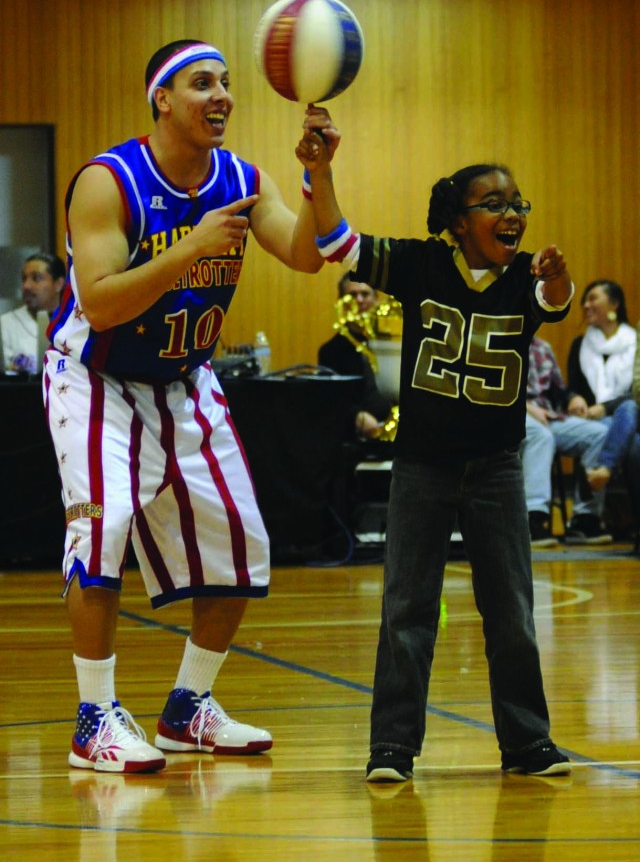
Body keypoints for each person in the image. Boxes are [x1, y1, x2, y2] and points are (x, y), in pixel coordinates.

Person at [43, 39, 339, 774]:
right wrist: (191, 248)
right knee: (102, 529)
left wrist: (319, 173)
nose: (222, 96)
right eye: (201, 83)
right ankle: (92, 719)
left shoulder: (241, 178)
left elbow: (307, 254)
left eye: (227, 84)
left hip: (185, 378)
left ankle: (187, 708)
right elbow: (100, 304)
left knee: (241, 544)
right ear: (162, 100)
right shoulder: (107, 181)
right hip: (97, 377)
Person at [297, 124, 573, 782]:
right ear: (457, 219)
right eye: (495, 203)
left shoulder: (526, 276)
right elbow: (336, 241)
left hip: (498, 468)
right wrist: (322, 170)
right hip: (422, 465)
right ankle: (392, 746)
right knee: (407, 608)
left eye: (518, 204)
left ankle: (528, 743)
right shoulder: (420, 263)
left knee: (510, 610)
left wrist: (560, 280)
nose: (511, 213)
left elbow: (552, 302)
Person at [522, 335, 613, 546]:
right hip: (515, 414)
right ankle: (533, 518)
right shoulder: (501, 339)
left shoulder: (542, 347)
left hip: (549, 415)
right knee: (541, 437)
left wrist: (573, 399)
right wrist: (528, 407)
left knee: (598, 434)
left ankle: (585, 518)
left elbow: (559, 390)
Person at [565, 280, 638, 540]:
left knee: (627, 409)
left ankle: (602, 472)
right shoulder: (580, 344)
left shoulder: (635, 341)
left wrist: (605, 407)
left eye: (593, 298)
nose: (586, 305)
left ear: (614, 304)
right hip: (598, 422)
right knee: (631, 446)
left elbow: (635, 393)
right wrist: (574, 398)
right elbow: (571, 387)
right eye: (585, 300)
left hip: (629, 413)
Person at [318, 273, 393, 438]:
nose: (359, 300)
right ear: (341, 302)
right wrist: (357, 416)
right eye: (352, 295)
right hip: (353, 438)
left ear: (376, 300)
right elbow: (329, 399)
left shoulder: (392, 346)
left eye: (365, 294)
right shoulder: (330, 352)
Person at [0, 252, 65, 374]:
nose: (26, 286)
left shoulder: (73, 321)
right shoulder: (5, 324)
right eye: (24, 279)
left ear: (58, 284)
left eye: (36, 278)